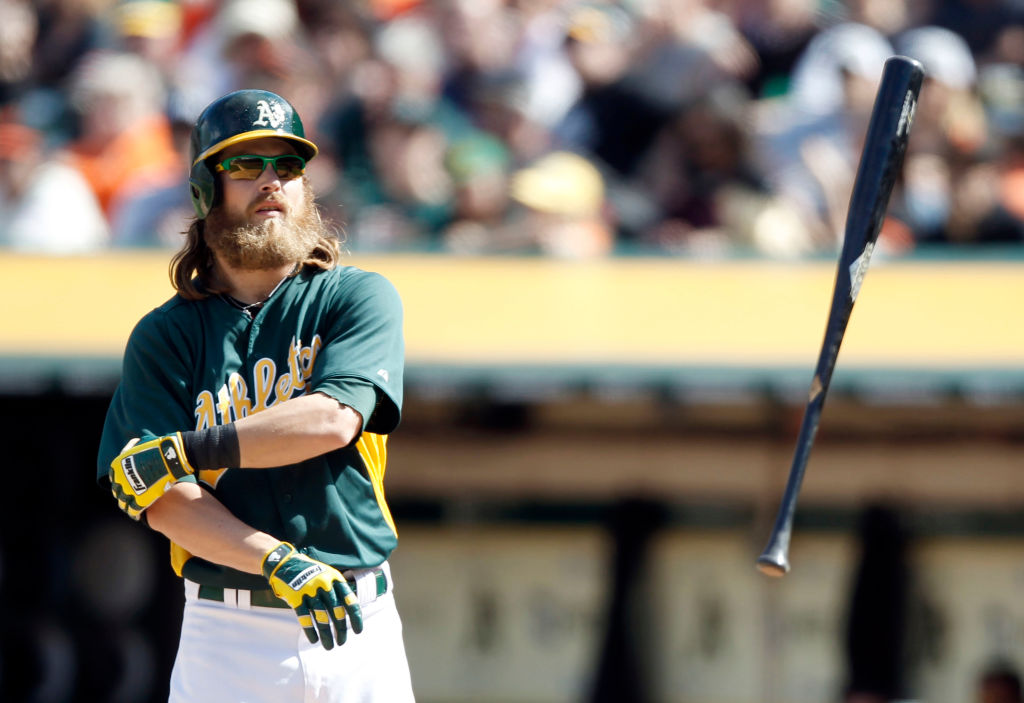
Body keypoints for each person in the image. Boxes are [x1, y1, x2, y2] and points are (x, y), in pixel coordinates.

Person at [96, 89, 415, 702]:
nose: (272, 181)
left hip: (360, 621)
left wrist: (181, 450)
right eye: (247, 165)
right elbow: (161, 498)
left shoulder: (355, 297)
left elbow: (330, 420)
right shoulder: (166, 335)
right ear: (204, 189)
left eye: (288, 166)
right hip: (227, 631)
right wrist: (278, 561)